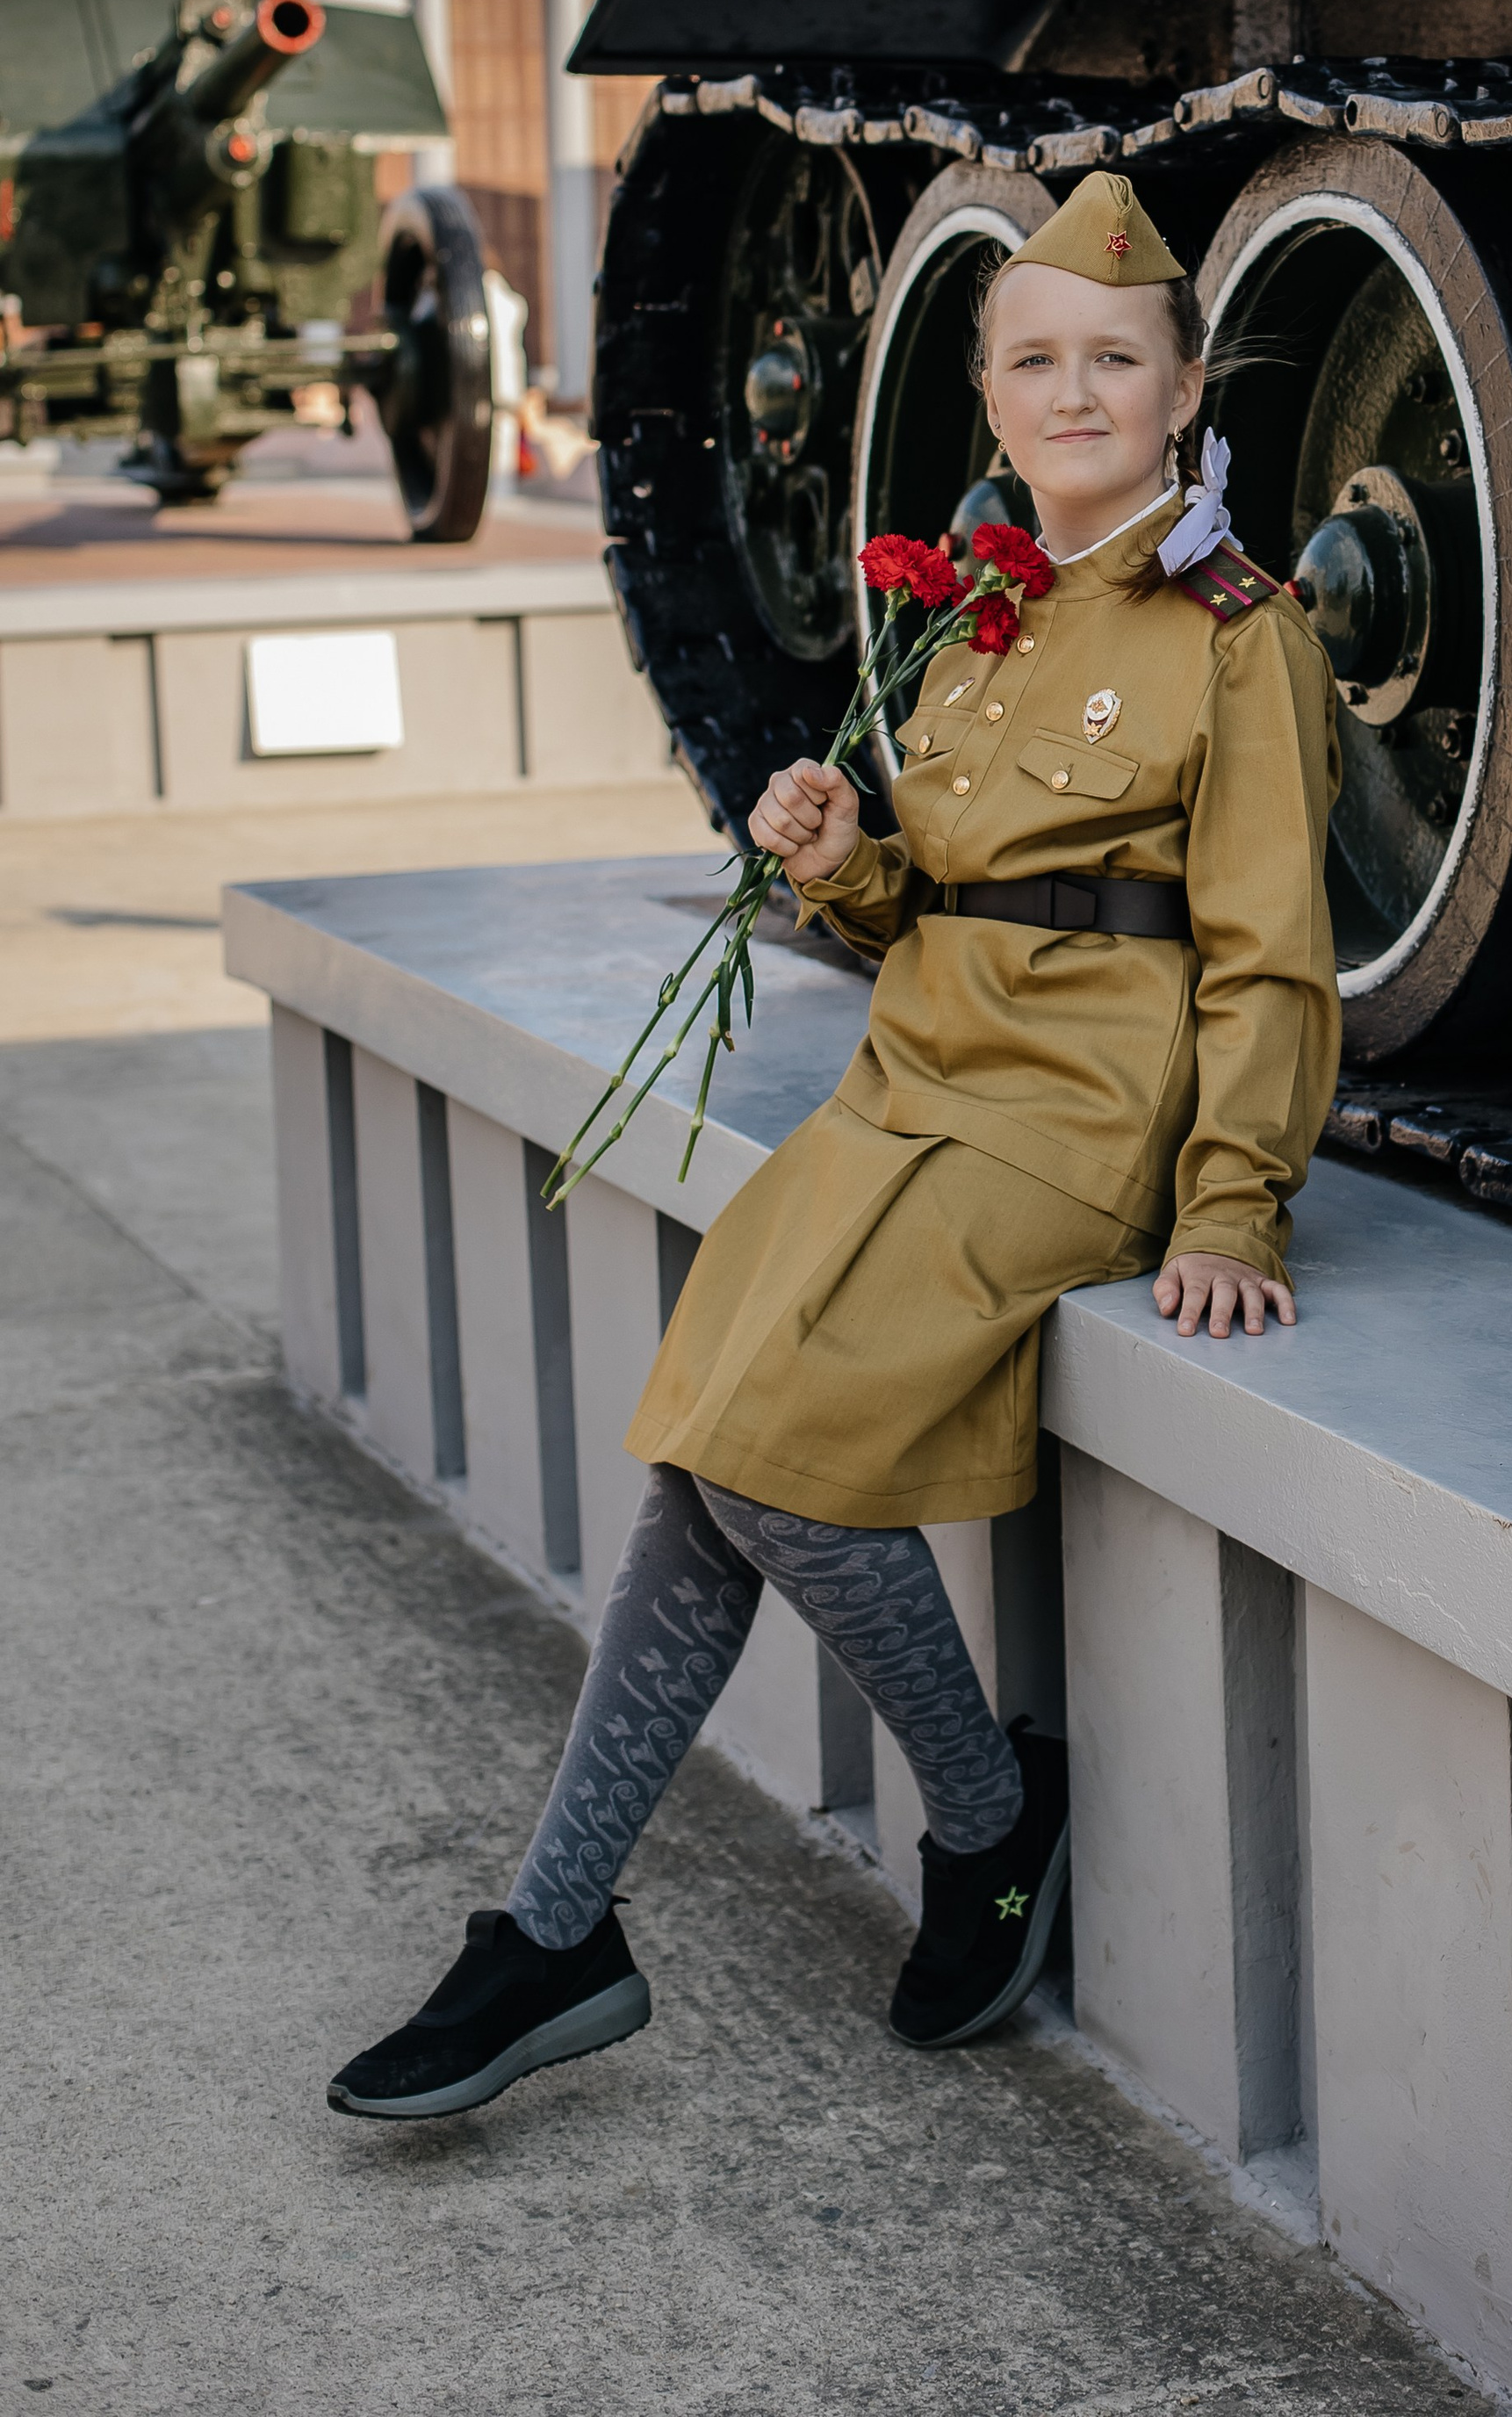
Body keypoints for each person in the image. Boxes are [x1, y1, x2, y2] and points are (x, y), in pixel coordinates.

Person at [328, 172, 1341, 2121]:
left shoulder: (1236, 633)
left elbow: (1267, 953)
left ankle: (984, 1815)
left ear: (1185, 385)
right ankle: (551, 1932)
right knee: (702, 1454)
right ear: (985, 390)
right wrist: (842, 861)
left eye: (1114, 360)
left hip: (1072, 1121)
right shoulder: (972, 618)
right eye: (1034, 358)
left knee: (765, 1464)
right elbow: (934, 917)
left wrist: (1232, 1201)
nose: (1073, 391)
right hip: (906, 1093)